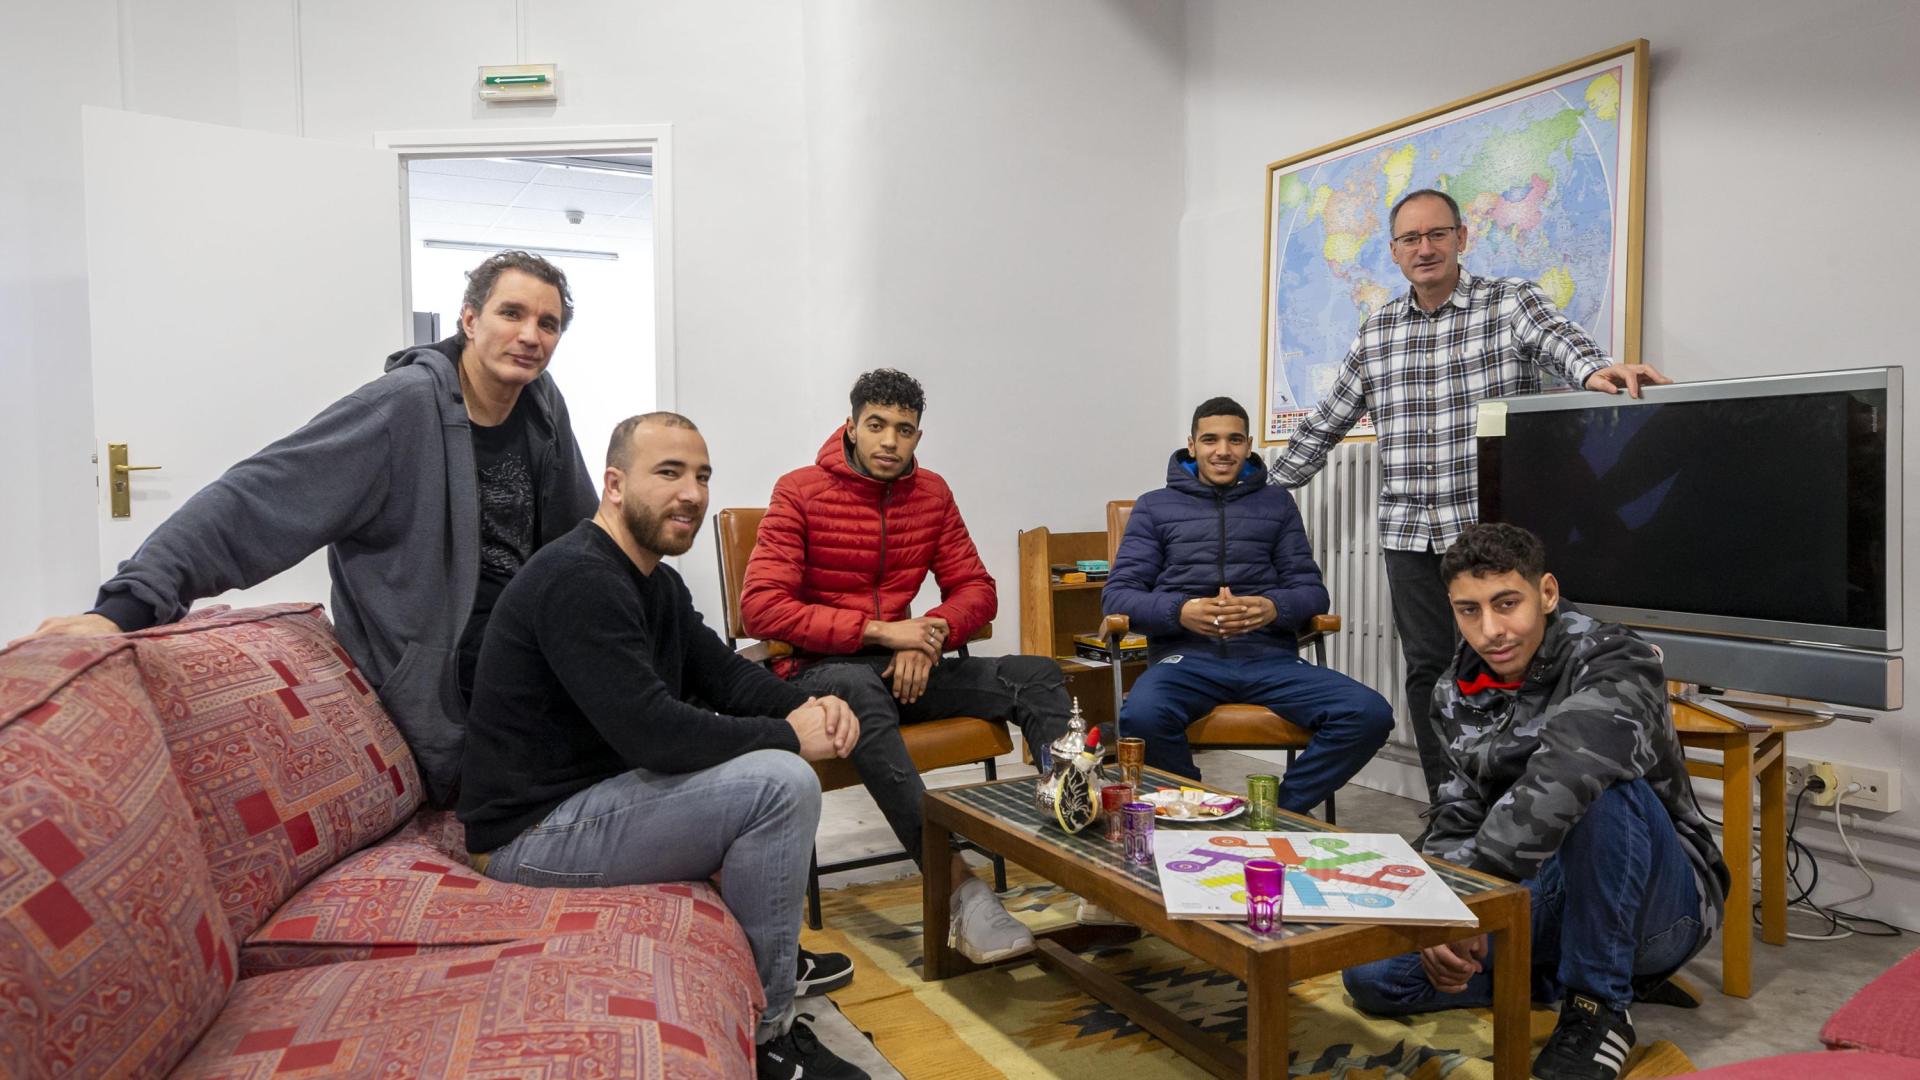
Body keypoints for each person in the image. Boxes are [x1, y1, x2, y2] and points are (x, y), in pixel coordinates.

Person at [12, 251, 599, 805]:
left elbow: (581, 537)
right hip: (454, 684)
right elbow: (257, 498)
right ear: (470, 319)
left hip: (526, 645)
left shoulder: (539, 402)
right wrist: (122, 608)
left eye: (547, 324)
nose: (529, 335)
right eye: (512, 313)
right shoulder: (401, 409)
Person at [458, 413, 869, 1080]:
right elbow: (652, 730)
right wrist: (791, 735)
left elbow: (725, 673)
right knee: (779, 783)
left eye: (702, 476)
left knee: (774, 770)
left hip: (596, 799)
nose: (692, 494)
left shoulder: (653, 580)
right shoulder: (579, 578)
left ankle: (770, 963)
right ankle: (767, 1035)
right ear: (615, 485)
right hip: (527, 836)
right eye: (669, 473)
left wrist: (805, 703)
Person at [1268, 188, 1671, 804]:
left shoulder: (1508, 303)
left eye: (1437, 235)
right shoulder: (1377, 330)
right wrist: (1252, 488)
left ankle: (1523, 805)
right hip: (1409, 534)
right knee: (1431, 673)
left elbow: (1559, 340)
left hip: (1491, 536)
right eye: (1410, 239)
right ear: (1395, 252)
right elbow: (1326, 422)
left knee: (1516, 669)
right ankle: (1448, 804)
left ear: (1461, 237)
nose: (1424, 248)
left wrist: (1597, 370)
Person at [1342, 523, 1728, 1080]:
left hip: (1658, 902)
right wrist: (1443, 913)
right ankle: (1568, 970)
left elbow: (1572, 770)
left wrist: (1478, 898)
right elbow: (1456, 815)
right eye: (1468, 611)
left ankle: (1598, 1008)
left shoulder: (1617, 657)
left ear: (1546, 592)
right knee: (1373, 975)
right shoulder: (1453, 690)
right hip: (1540, 890)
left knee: (1600, 789)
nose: (1491, 630)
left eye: (1506, 604)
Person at [740, 368, 1078, 963]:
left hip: (905, 667)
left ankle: (1079, 857)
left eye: (905, 429)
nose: (890, 441)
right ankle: (961, 892)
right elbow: (761, 607)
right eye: (876, 426)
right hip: (823, 674)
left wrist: (927, 638)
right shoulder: (798, 490)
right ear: (851, 426)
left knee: (1038, 673)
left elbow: (977, 587)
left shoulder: (933, 493)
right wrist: (879, 631)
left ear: (919, 435)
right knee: (854, 686)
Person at [1102, 396, 1393, 806]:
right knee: (1141, 716)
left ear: (1249, 443)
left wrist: (1273, 608)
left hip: (1268, 658)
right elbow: (1118, 595)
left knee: (1369, 714)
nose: (1223, 451)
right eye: (1211, 440)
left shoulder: (1276, 504)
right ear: (1191, 444)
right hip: (1185, 659)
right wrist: (1180, 612)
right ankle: (1198, 806)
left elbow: (1313, 593)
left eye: (1235, 440)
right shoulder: (1155, 506)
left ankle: (1277, 812)